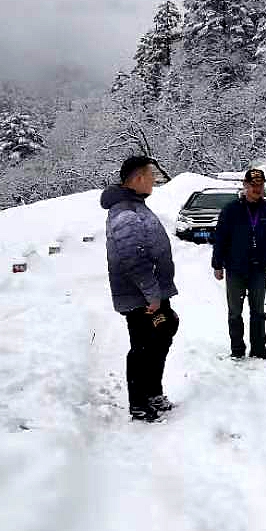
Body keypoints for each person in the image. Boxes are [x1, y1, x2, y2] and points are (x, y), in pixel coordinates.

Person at [102, 155, 180, 422]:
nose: (154, 180)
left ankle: (153, 394)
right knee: (143, 348)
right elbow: (133, 259)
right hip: (142, 298)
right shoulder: (126, 212)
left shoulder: (135, 206)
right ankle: (139, 403)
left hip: (150, 295)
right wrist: (152, 295)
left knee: (162, 334)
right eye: (151, 175)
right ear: (137, 179)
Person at [212, 167, 266, 359]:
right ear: (245, 186)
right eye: (253, 185)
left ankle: (259, 349)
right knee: (235, 312)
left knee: (258, 311)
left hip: (258, 268)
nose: (257, 189)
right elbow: (220, 238)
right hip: (235, 268)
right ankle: (237, 350)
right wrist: (217, 264)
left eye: (260, 185)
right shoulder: (231, 210)